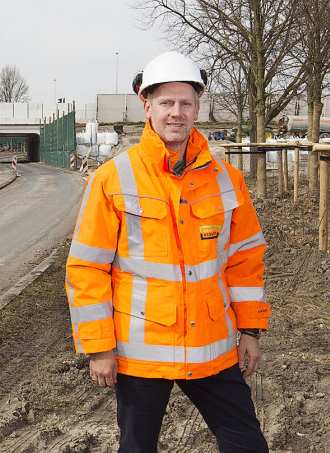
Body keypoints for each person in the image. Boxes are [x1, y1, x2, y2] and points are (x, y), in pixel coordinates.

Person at [66, 52, 271, 453]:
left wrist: (250, 330)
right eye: (166, 103)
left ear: (197, 108)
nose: (176, 113)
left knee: (247, 444)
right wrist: (99, 348)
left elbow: (245, 260)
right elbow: (87, 268)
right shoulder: (112, 179)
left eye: (185, 103)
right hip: (140, 354)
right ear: (147, 106)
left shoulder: (227, 180)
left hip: (211, 347)